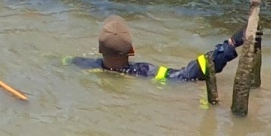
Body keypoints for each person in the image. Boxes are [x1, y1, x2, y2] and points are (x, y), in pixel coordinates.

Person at [73, 15, 248, 82]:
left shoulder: (82, 65)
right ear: (132, 50)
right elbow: (187, 75)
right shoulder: (145, 72)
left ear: (99, 49)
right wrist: (230, 45)